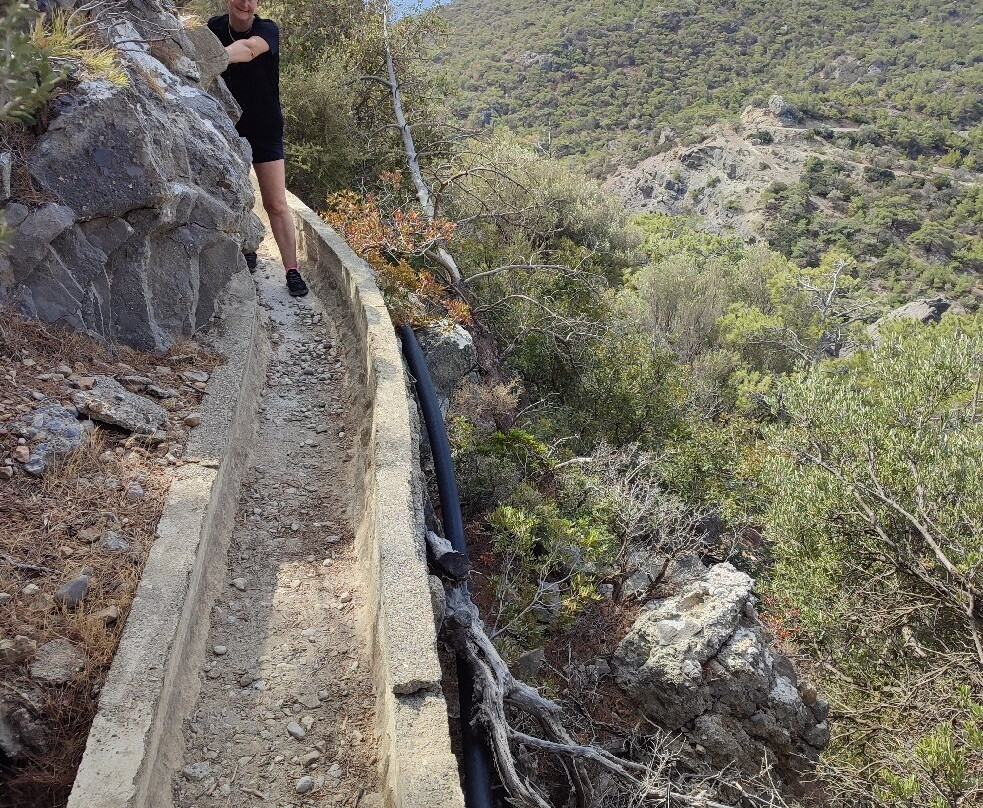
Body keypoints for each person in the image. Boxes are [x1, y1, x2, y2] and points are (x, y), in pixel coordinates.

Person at [208, 0, 308, 297]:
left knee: (275, 203)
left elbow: (249, 49)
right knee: (236, 195)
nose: (246, 3)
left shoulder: (267, 29)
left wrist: (210, 57)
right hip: (228, 127)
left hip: (265, 127)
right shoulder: (214, 28)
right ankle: (248, 247)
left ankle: (291, 270)